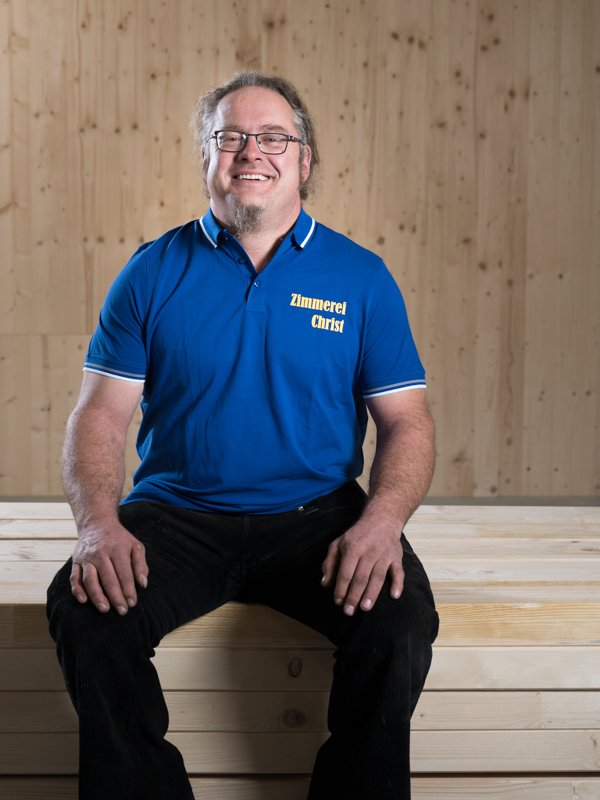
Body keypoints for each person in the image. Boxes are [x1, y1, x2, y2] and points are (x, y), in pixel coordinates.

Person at [47, 70, 439, 800]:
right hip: (178, 514)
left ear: (305, 159)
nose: (252, 152)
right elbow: (98, 416)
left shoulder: (361, 278)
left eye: (273, 138)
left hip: (316, 515)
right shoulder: (150, 273)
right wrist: (97, 525)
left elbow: (406, 422)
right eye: (230, 137)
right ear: (206, 155)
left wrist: (382, 523)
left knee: (401, 616)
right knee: (83, 607)